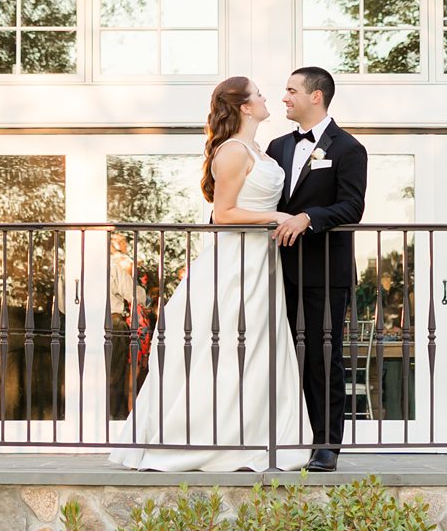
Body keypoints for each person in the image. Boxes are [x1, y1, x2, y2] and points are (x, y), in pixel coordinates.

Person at [109, 76, 311, 472]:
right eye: (258, 94)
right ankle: (202, 438)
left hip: (261, 263)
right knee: (222, 351)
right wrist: (277, 216)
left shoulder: (261, 151)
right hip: (235, 264)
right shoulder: (232, 152)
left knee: (256, 351)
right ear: (244, 107)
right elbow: (224, 214)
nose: (267, 96)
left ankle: (253, 437)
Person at [268, 67, 368, 472]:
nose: (284, 98)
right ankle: (282, 438)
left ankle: (326, 444)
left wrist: (308, 217)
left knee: (322, 358)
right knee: (277, 354)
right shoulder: (276, 146)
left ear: (316, 96)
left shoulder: (348, 148)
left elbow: (352, 207)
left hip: (324, 270)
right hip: (275, 270)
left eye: (291, 90)